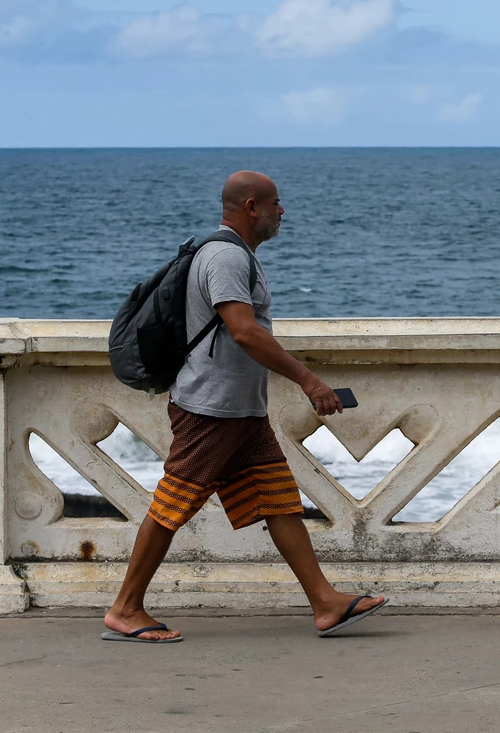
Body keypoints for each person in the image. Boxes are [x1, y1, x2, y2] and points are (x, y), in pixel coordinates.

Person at [103, 170, 388, 643]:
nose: (282, 211)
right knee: (172, 504)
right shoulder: (225, 257)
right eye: (276, 203)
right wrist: (308, 380)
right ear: (251, 206)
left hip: (240, 411)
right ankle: (126, 608)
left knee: (279, 500)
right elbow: (244, 330)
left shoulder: (235, 255)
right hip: (211, 409)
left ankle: (325, 603)